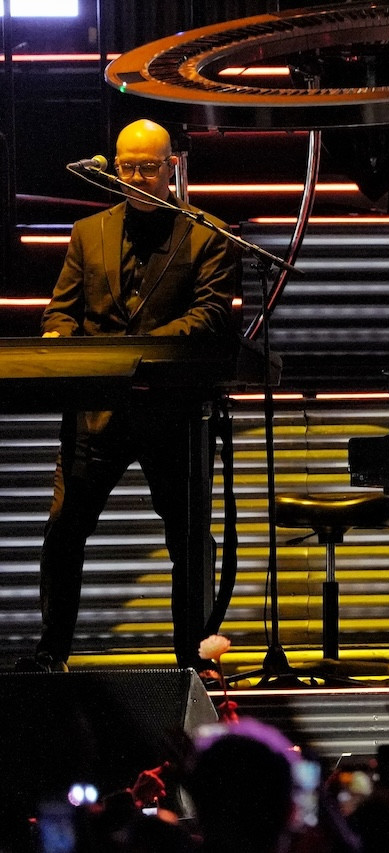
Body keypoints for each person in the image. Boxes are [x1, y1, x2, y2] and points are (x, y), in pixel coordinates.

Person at [18, 118, 241, 672]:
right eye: (126, 167)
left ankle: (190, 658)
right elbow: (61, 311)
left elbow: (212, 316)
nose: (137, 178)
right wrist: (64, 348)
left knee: (188, 541)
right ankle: (52, 653)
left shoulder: (206, 232)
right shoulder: (87, 232)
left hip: (173, 414)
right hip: (96, 413)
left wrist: (135, 350)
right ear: (113, 165)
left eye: (148, 167)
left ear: (172, 167)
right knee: (64, 533)